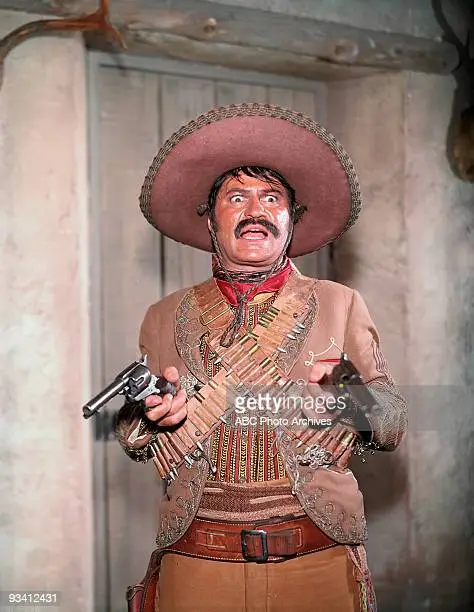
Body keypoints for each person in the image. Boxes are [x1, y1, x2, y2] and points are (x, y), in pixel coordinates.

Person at [115, 103, 407, 612]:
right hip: (196, 563)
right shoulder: (163, 316)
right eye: (237, 198)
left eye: (272, 199)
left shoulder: (339, 303)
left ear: (291, 221)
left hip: (314, 560)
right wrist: (149, 414)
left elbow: (393, 422)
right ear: (211, 220)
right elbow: (130, 432)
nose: (257, 211)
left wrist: (348, 394)